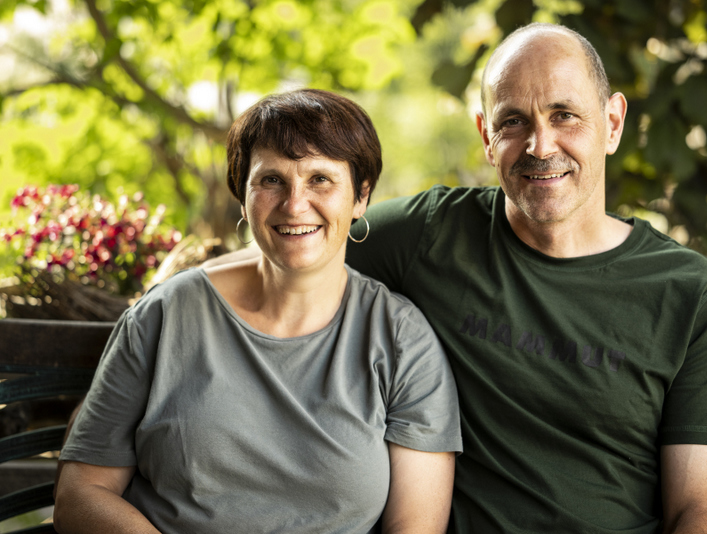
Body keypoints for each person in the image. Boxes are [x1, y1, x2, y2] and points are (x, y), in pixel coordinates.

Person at [210, 22, 707, 533]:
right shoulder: (431, 236)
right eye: (513, 121)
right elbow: (296, 239)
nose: (540, 145)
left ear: (614, 123)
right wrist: (174, 293)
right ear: (486, 136)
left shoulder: (690, 293)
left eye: (565, 116)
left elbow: (697, 512)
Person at [52, 89, 462, 534]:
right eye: (271, 180)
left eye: (320, 179)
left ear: (360, 197)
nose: (294, 204)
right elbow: (80, 495)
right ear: (242, 195)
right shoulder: (166, 316)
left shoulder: (403, 341)